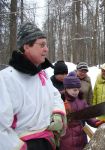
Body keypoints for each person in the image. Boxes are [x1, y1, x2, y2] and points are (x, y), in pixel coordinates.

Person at [0, 22, 66, 150]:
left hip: (48, 141)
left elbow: (54, 95)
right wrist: (19, 147)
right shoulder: (6, 78)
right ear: (26, 46)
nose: (46, 49)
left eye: (46, 45)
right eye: (42, 45)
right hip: (24, 144)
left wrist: (57, 114)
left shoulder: (42, 74)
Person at [60, 74, 104, 150]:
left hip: (81, 139)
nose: (76, 91)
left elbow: (88, 115)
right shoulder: (59, 101)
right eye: (74, 89)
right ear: (66, 88)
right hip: (66, 141)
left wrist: (96, 122)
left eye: (78, 89)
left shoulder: (81, 101)